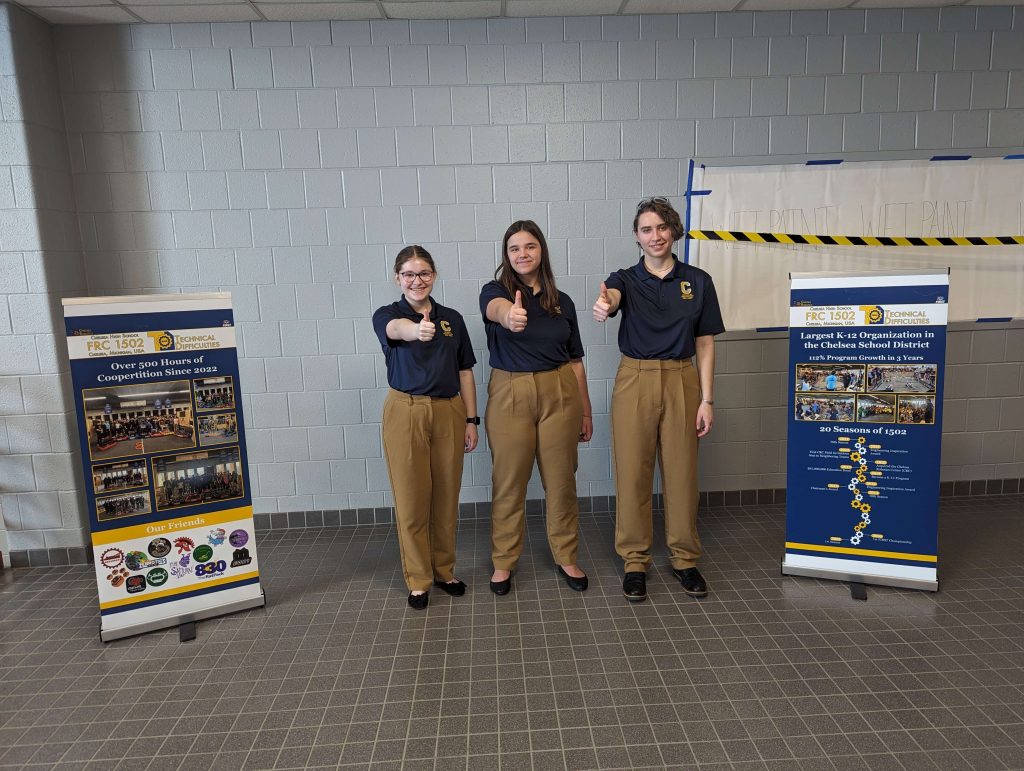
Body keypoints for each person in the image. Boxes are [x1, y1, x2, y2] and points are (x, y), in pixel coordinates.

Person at [593, 197, 724, 602]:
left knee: (682, 474)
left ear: (674, 231)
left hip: (682, 377)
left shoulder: (697, 281)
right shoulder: (625, 279)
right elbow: (611, 298)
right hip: (635, 378)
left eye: (662, 227)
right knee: (633, 472)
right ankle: (635, 562)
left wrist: (707, 399)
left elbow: (704, 343)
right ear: (637, 236)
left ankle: (684, 559)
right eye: (646, 230)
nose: (655, 236)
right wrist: (605, 304)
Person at [481, 220, 593, 595]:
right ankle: (503, 562)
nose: (522, 254)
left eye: (530, 246)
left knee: (561, 480)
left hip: (560, 390)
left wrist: (586, 411)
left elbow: (576, 361)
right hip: (511, 390)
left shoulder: (563, 302)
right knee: (509, 481)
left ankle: (566, 555)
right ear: (506, 255)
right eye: (514, 248)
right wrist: (508, 315)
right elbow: (495, 310)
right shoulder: (495, 292)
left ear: (541, 250)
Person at [372, 245, 479, 610]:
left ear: (434, 276)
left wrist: (471, 419)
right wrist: (415, 331)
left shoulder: (452, 319)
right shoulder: (389, 314)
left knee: (446, 497)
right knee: (413, 499)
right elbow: (394, 330)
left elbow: (466, 371)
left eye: (424, 274)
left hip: (450, 411)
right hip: (407, 412)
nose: (417, 281)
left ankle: (444, 569)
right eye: (409, 274)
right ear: (397, 278)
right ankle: (418, 580)